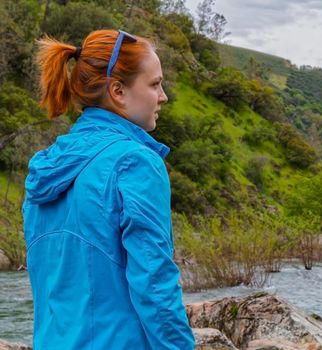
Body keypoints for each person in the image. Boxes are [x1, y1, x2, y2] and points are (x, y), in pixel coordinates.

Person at [22, 29, 195, 349]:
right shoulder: (135, 163)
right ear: (118, 91)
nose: (163, 96)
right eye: (155, 84)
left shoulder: (45, 171)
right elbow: (155, 285)